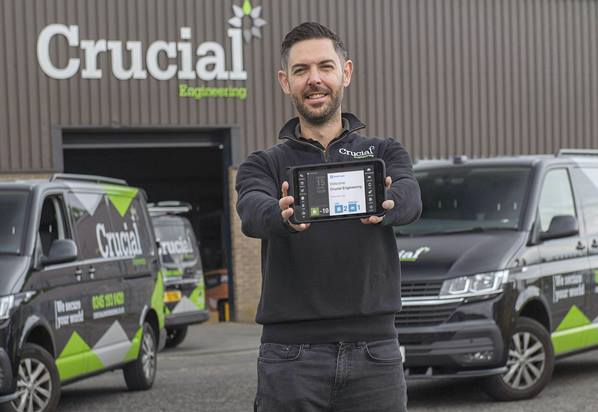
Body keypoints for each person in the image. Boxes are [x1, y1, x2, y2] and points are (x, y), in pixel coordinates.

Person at [235, 22, 422, 412]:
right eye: (301, 70)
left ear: (345, 73)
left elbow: (410, 198)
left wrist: (387, 203)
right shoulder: (263, 164)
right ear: (285, 82)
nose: (314, 79)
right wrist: (280, 215)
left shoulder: (383, 152)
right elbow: (252, 211)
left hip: (375, 353)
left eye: (325, 67)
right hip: (290, 358)